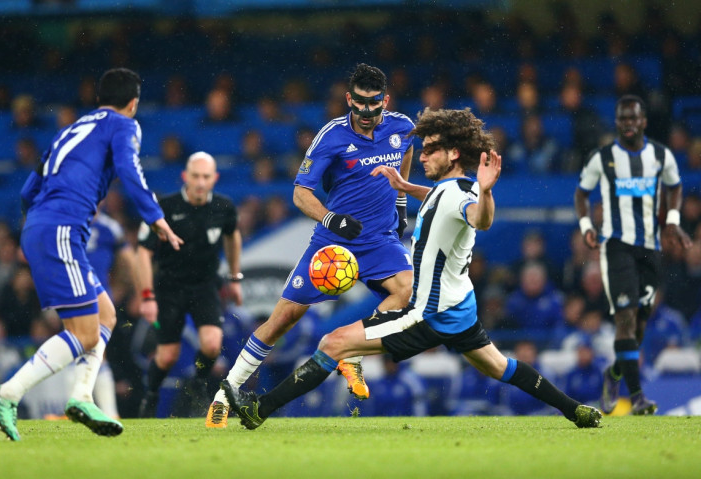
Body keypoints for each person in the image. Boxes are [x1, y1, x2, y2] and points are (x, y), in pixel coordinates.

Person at [222, 107, 602, 430]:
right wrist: (405, 185)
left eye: (431, 151)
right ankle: (575, 411)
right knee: (500, 366)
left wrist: (487, 192)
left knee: (332, 343)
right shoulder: (447, 188)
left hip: (428, 313)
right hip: (461, 308)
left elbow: (480, 218)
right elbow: (442, 195)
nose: (422, 156)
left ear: (454, 153)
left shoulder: (468, 194)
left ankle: (260, 409)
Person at [205, 63, 415, 428]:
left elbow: (407, 152)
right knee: (282, 318)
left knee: (407, 293)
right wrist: (331, 219)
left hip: (380, 240)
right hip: (334, 244)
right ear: (349, 99)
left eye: (374, 104)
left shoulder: (402, 127)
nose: (366, 112)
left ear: (386, 101)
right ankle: (225, 395)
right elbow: (301, 194)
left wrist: (400, 201)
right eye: (360, 104)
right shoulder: (331, 136)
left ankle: (352, 353)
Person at [0, 68, 182, 441]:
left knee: (105, 314)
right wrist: (155, 218)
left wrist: (41, 219)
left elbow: (30, 187)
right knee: (85, 333)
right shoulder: (124, 125)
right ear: (134, 103)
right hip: (62, 228)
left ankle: (81, 395)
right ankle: (8, 393)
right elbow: (130, 170)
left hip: (45, 225)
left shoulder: (71, 129)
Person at [574, 94, 692, 416]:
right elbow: (582, 193)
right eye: (622, 119)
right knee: (624, 319)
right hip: (616, 247)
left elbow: (676, 185)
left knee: (639, 326)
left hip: (651, 248)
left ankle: (613, 375)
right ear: (617, 122)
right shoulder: (603, 158)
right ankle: (637, 397)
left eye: (633, 118)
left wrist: (672, 221)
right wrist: (587, 225)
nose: (628, 124)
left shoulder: (659, 155)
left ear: (643, 121)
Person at [135, 151, 242, 418]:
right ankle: (151, 393)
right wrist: (146, 296)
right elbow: (143, 253)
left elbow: (233, 236)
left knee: (212, 345)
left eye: (206, 177)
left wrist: (235, 277)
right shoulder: (164, 207)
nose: (200, 182)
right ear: (185, 176)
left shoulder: (224, 207)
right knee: (167, 355)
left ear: (214, 178)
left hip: (205, 285)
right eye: (195, 176)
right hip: (169, 287)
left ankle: (198, 382)